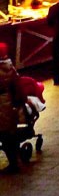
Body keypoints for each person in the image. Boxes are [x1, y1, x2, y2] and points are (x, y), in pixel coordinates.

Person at [0, 43, 24, 171]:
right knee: (9, 133)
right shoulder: (10, 67)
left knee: (5, 135)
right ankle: (15, 160)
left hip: (2, 105)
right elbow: (17, 84)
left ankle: (14, 164)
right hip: (8, 102)